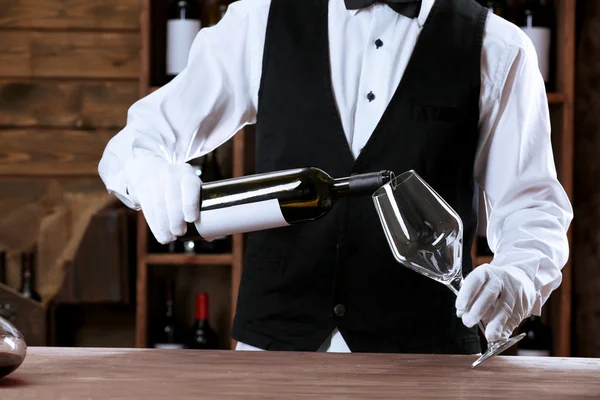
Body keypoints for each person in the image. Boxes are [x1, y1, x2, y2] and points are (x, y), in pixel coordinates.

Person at [98, 0, 573, 354]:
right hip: (274, 358)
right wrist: (149, 173)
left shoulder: (497, 46)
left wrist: (514, 279)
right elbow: (138, 142)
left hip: (429, 362)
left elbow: (534, 208)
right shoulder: (258, 21)